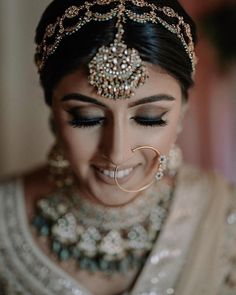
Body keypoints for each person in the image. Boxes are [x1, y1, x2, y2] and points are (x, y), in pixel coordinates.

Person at [0, 0, 235, 294]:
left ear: (181, 116)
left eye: (150, 118)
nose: (117, 153)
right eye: (87, 118)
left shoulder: (223, 218)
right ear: (53, 114)